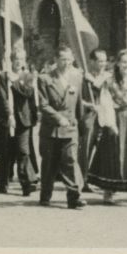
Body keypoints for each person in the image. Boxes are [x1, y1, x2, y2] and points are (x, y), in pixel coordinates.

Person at [86, 49, 127, 208]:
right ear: (118, 64)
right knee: (113, 155)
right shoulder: (109, 82)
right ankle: (108, 191)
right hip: (116, 120)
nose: (126, 65)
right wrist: (111, 124)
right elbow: (106, 104)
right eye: (124, 62)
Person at [37, 45, 86, 209]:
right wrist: (58, 117)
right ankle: (45, 195)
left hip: (70, 127)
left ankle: (74, 197)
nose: (67, 63)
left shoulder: (77, 77)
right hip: (51, 129)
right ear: (56, 60)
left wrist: (81, 123)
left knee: (70, 161)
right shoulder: (45, 79)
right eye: (63, 59)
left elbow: (78, 102)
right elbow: (42, 105)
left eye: (69, 59)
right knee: (49, 164)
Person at [0, 47, 39, 196]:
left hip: (24, 119)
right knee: (7, 151)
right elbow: (2, 97)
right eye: (16, 59)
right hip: (8, 118)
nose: (18, 62)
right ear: (11, 60)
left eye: (21, 59)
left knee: (23, 151)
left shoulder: (27, 76)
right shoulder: (3, 76)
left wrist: (14, 83)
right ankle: (3, 182)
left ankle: (27, 183)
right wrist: (8, 115)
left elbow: (28, 92)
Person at [79, 48, 109, 192]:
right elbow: (78, 99)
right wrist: (89, 105)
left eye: (105, 60)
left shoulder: (109, 77)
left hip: (106, 117)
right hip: (89, 117)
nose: (103, 64)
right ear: (92, 61)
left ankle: (102, 180)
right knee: (86, 149)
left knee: (105, 150)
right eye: (100, 61)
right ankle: (83, 180)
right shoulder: (83, 77)